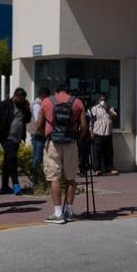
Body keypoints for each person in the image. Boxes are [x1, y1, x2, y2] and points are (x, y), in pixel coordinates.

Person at [36, 83, 86, 224]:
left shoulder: (46, 102)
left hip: (53, 143)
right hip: (71, 142)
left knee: (55, 178)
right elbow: (84, 127)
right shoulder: (77, 102)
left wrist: (46, 136)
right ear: (69, 91)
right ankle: (69, 211)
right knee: (71, 178)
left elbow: (39, 125)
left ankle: (58, 213)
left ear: (56, 91)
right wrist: (78, 138)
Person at [0, 88, 31, 195]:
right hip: (6, 136)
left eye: (23, 98)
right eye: (20, 97)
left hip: (17, 137)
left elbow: (27, 120)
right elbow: (1, 118)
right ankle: (15, 184)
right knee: (12, 159)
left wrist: (27, 108)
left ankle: (4, 186)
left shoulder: (23, 107)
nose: (21, 100)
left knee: (8, 160)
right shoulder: (5, 105)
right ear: (15, 96)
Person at [91, 93, 118, 176]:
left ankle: (110, 168)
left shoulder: (110, 108)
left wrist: (107, 109)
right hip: (98, 132)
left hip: (108, 133)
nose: (103, 101)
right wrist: (91, 132)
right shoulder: (95, 108)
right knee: (97, 151)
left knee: (109, 152)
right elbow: (92, 120)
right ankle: (97, 169)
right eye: (101, 100)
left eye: (104, 100)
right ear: (98, 100)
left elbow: (114, 116)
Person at [29, 87, 50, 185]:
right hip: (38, 134)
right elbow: (39, 121)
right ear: (44, 96)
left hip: (38, 133)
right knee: (37, 157)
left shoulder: (38, 104)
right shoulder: (37, 105)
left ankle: (37, 177)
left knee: (39, 156)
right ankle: (36, 179)